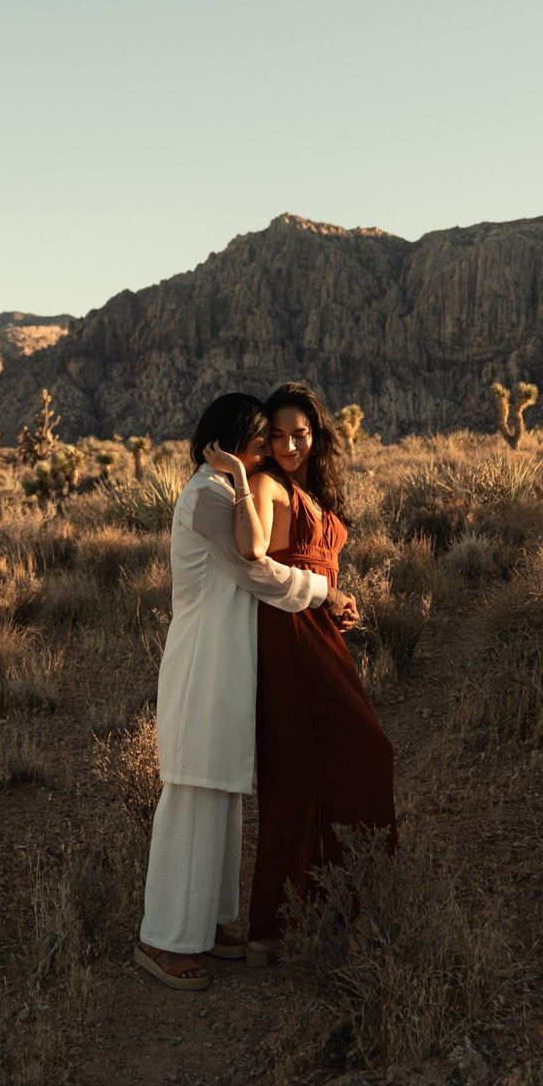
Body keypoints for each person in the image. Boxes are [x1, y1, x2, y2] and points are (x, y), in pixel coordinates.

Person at [132, 392, 354, 990]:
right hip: (204, 664)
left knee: (223, 790)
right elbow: (255, 568)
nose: (267, 454)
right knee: (193, 793)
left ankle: (207, 925)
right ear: (231, 443)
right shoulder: (207, 495)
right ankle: (162, 939)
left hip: (227, 662)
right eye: (258, 442)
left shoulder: (223, 491)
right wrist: (322, 592)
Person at [235, 382, 396, 959]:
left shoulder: (311, 487)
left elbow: (316, 562)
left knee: (307, 770)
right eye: (275, 436)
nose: (287, 445)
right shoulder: (266, 484)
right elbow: (256, 558)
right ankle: (336, 916)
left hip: (317, 625)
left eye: (298, 434)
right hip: (288, 631)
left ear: (316, 434)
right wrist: (323, 596)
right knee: (364, 753)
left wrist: (336, 598)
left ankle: (286, 928)